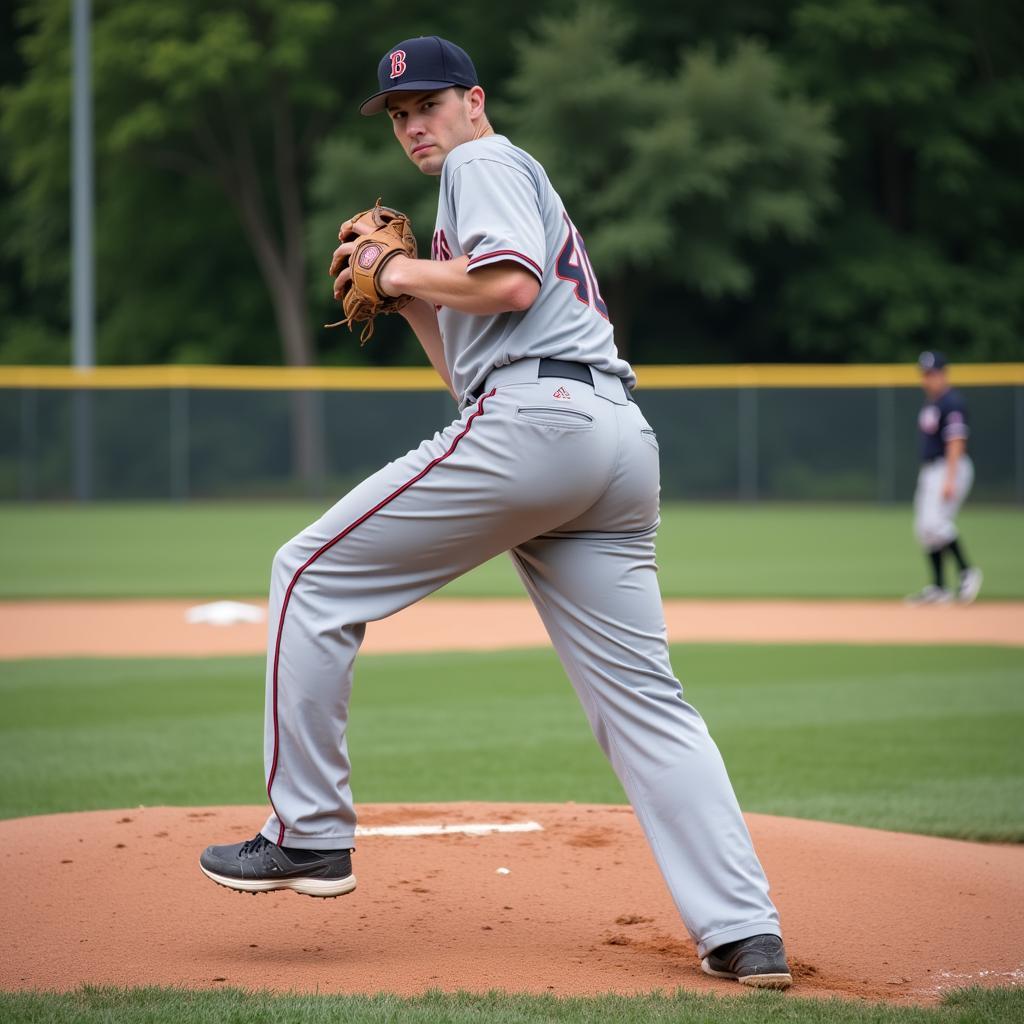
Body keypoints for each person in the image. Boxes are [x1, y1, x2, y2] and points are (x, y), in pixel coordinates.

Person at [199, 36, 792, 989]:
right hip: (610, 442)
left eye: (428, 103)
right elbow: (469, 372)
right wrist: (415, 302)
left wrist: (391, 276)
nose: (414, 125)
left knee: (305, 575)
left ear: (475, 100)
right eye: (398, 115)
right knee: (646, 706)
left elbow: (514, 286)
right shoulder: (469, 215)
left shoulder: (482, 162)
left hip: (544, 427)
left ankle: (306, 833)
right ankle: (745, 933)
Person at [905, 351, 983, 605]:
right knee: (924, 529)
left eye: (932, 373)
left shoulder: (952, 403)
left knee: (935, 523)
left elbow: (956, 441)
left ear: (943, 373)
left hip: (949, 467)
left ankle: (967, 571)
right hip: (931, 470)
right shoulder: (933, 403)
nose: (928, 379)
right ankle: (939, 587)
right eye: (925, 374)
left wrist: (950, 478)